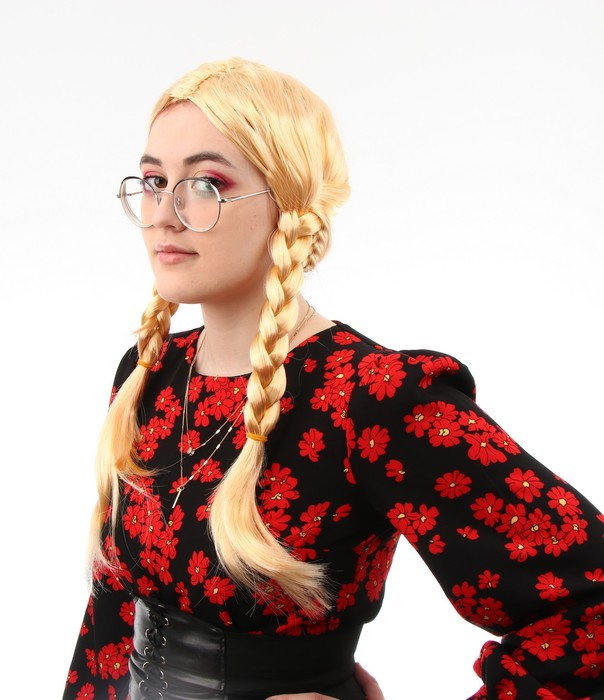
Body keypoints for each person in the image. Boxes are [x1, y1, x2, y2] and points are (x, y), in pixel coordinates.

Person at [62, 58, 603, 700]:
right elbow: (109, 622)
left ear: (286, 204)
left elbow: (589, 610)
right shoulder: (148, 373)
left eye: (206, 183)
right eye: (154, 181)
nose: (164, 214)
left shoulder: (372, 398)